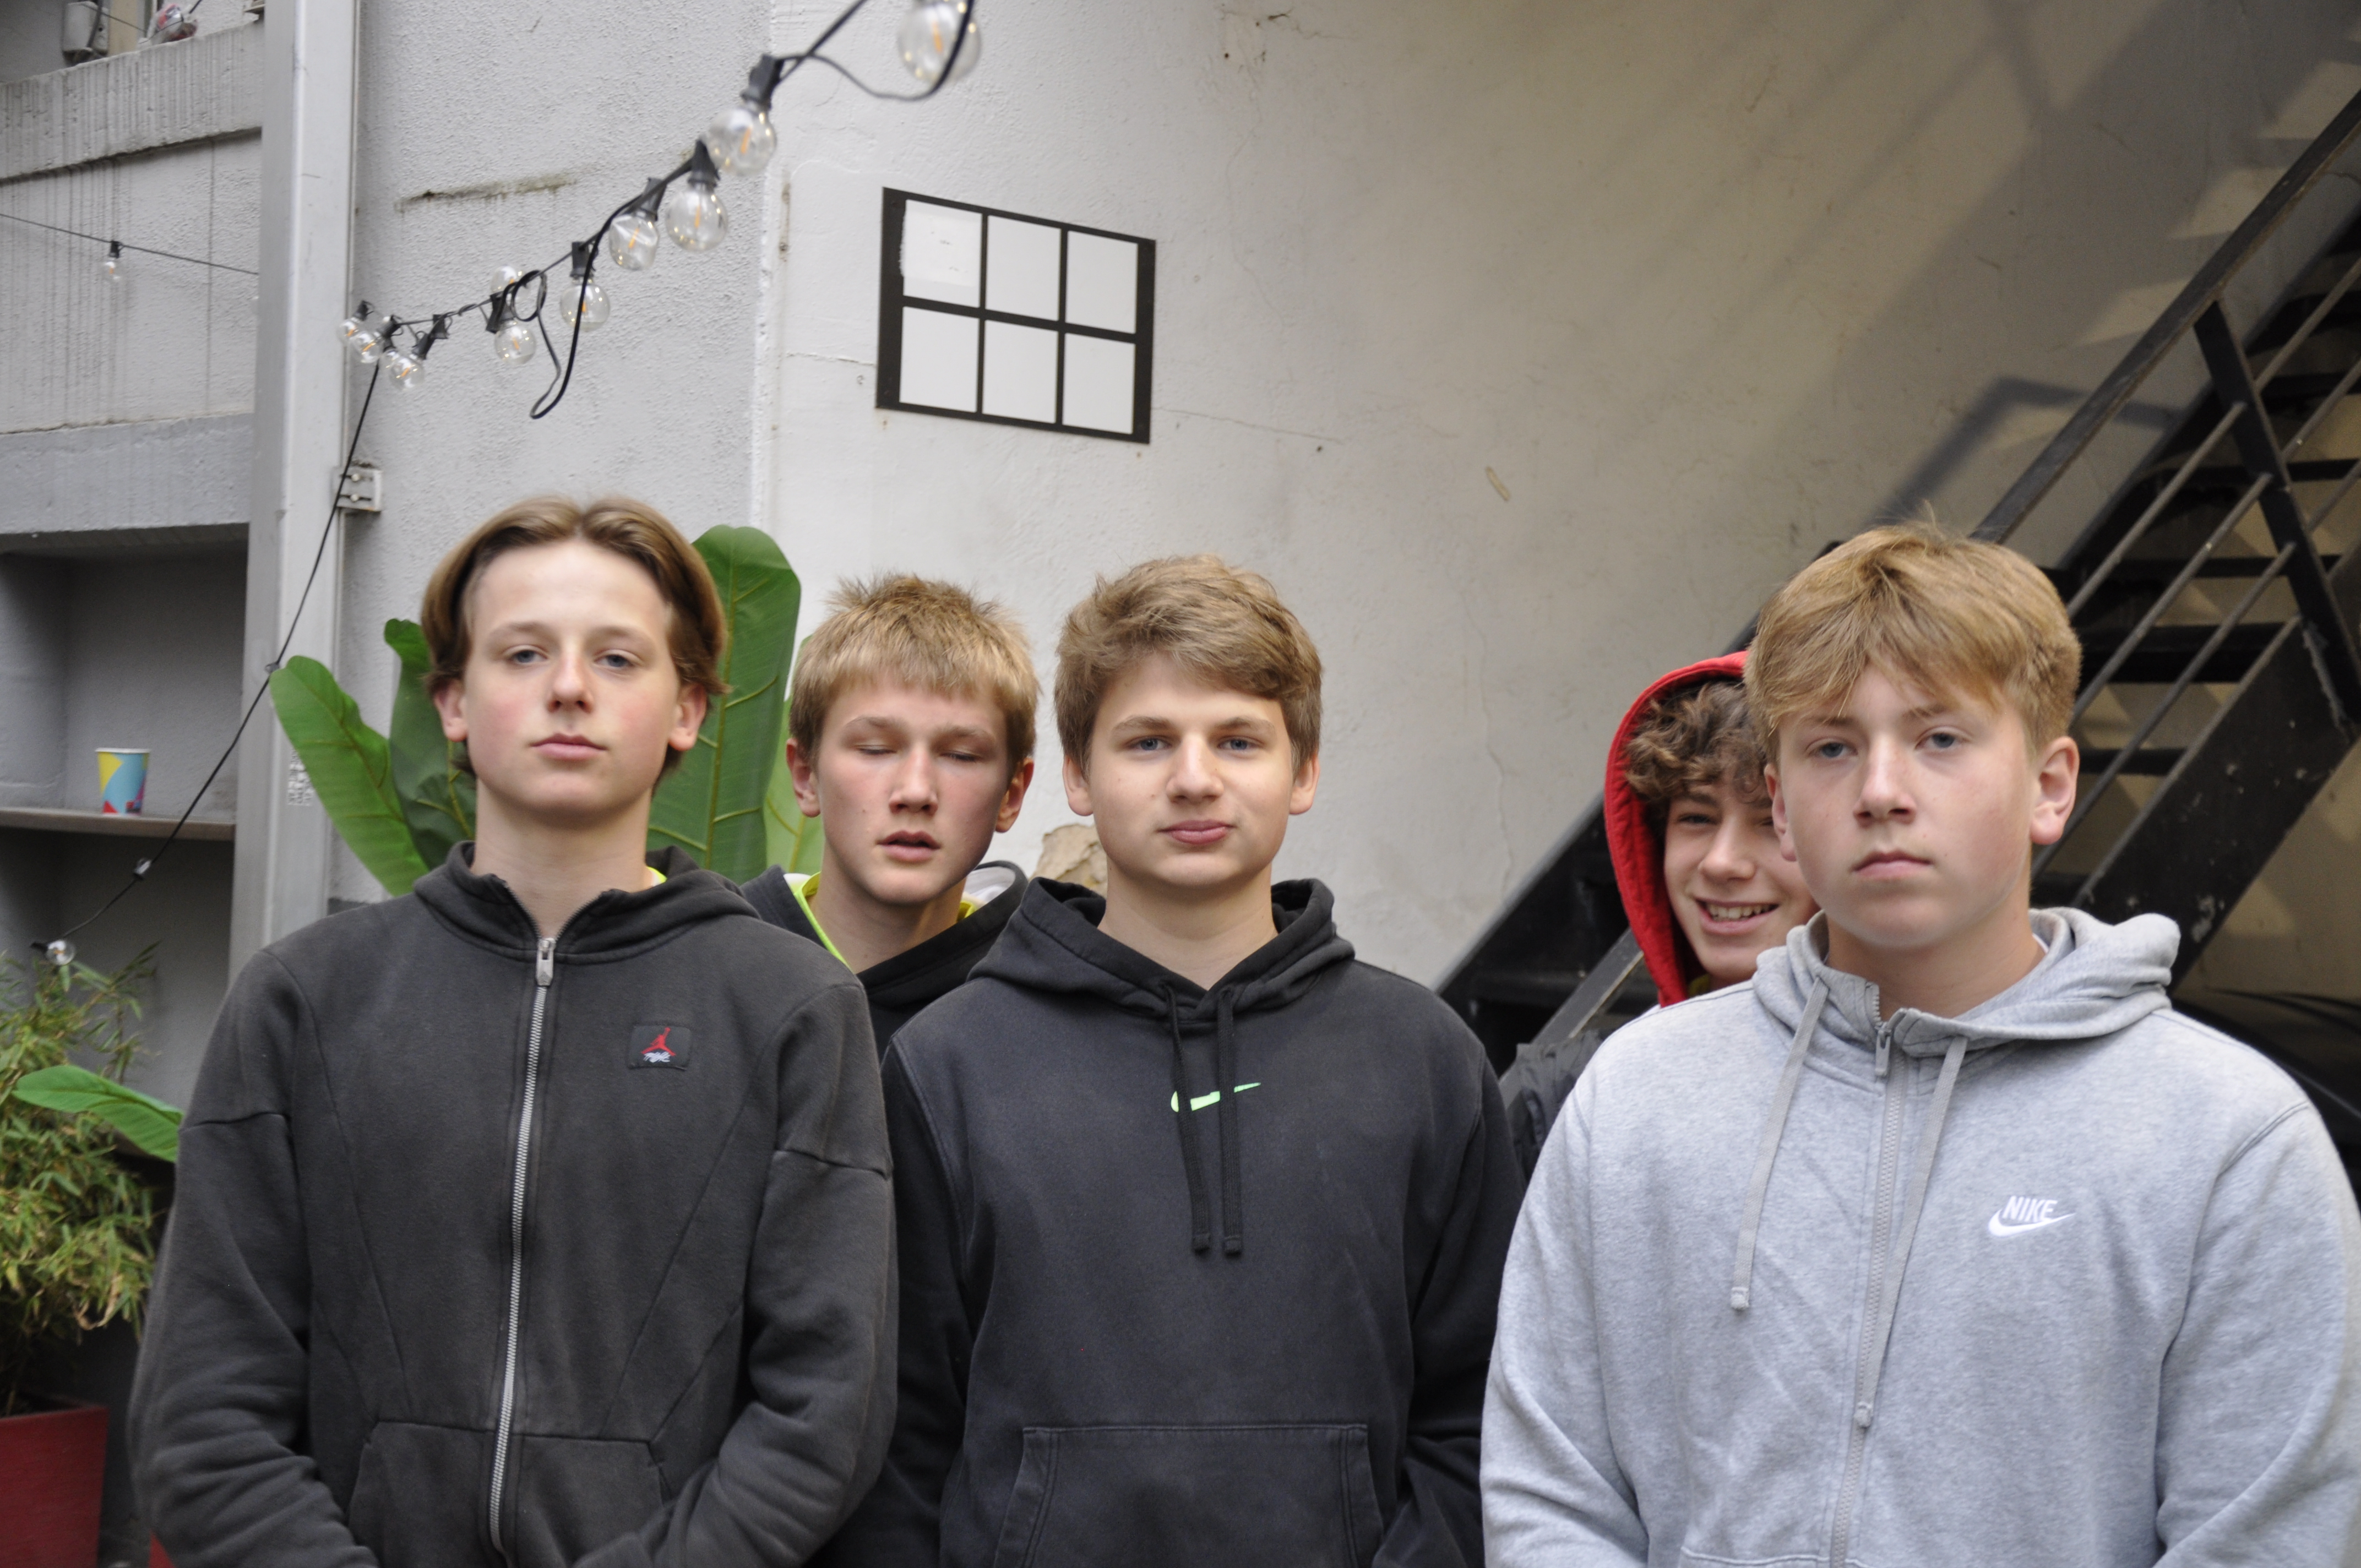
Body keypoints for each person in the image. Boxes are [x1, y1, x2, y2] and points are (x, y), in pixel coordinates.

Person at [1482, 524, 2361, 1565]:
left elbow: (2267, 1534)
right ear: (1783, 803)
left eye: (1940, 738)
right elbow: (1551, 1485)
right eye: (1831, 746)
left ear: (2049, 785)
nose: (1880, 790)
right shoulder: (1635, 1094)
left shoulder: (2228, 1136)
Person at [129, 498, 895, 1568]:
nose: (569, 686)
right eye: (523, 651)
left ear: (687, 707)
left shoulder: (791, 1009)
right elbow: (205, 1404)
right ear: (452, 699)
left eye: (618, 657)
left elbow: (824, 1409)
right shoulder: (304, 999)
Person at [819, 555, 1524, 1567]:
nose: (1194, 777)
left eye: (1238, 739)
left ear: (1303, 770)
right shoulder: (947, 1065)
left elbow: (1474, 1418)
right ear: (1076, 773)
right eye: (1147, 740)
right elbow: (899, 1444)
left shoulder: (1425, 1061)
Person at [1501, 654, 1819, 1170]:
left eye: (1771, 822)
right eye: (1696, 818)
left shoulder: (1916, 1086)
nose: (1721, 862)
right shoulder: (1570, 1096)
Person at [738, 575, 1036, 1049]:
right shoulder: (712, 964)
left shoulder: (1044, 1000)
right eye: (875, 749)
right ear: (806, 776)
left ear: (1011, 795)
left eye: (961, 756)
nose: (915, 791)